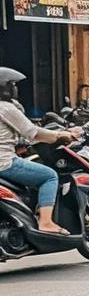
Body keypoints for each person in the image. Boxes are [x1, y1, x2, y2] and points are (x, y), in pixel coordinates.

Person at [0, 67, 76, 234]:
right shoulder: (6, 107)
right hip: (4, 162)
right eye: (13, 84)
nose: (15, 88)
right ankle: (46, 222)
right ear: (5, 87)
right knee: (49, 176)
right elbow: (33, 133)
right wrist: (61, 135)